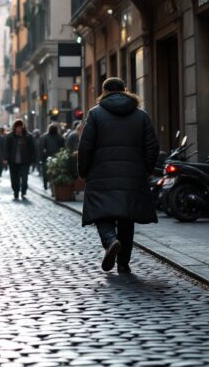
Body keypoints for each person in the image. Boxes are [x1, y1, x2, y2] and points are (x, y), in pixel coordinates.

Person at [78, 77, 160, 274]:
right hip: (133, 175)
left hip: (101, 173)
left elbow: (85, 146)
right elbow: (153, 146)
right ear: (125, 90)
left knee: (101, 211)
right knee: (126, 218)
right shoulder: (141, 115)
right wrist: (145, 170)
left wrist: (83, 171)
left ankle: (110, 240)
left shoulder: (95, 114)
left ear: (104, 91)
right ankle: (123, 263)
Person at [5, 119, 36, 199]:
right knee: (14, 178)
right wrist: (6, 158)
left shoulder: (28, 136)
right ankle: (16, 191)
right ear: (15, 128)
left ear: (23, 128)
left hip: (25, 161)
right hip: (13, 161)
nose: (19, 129)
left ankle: (23, 191)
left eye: (20, 127)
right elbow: (7, 148)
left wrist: (33, 160)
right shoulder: (10, 136)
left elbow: (32, 149)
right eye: (17, 127)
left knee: (24, 178)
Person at [39, 123, 65, 190]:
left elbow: (41, 148)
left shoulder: (44, 137)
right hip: (56, 157)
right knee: (54, 172)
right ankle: (52, 185)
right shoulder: (60, 137)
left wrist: (42, 157)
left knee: (46, 172)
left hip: (47, 158)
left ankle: (46, 185)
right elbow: (63, 147)